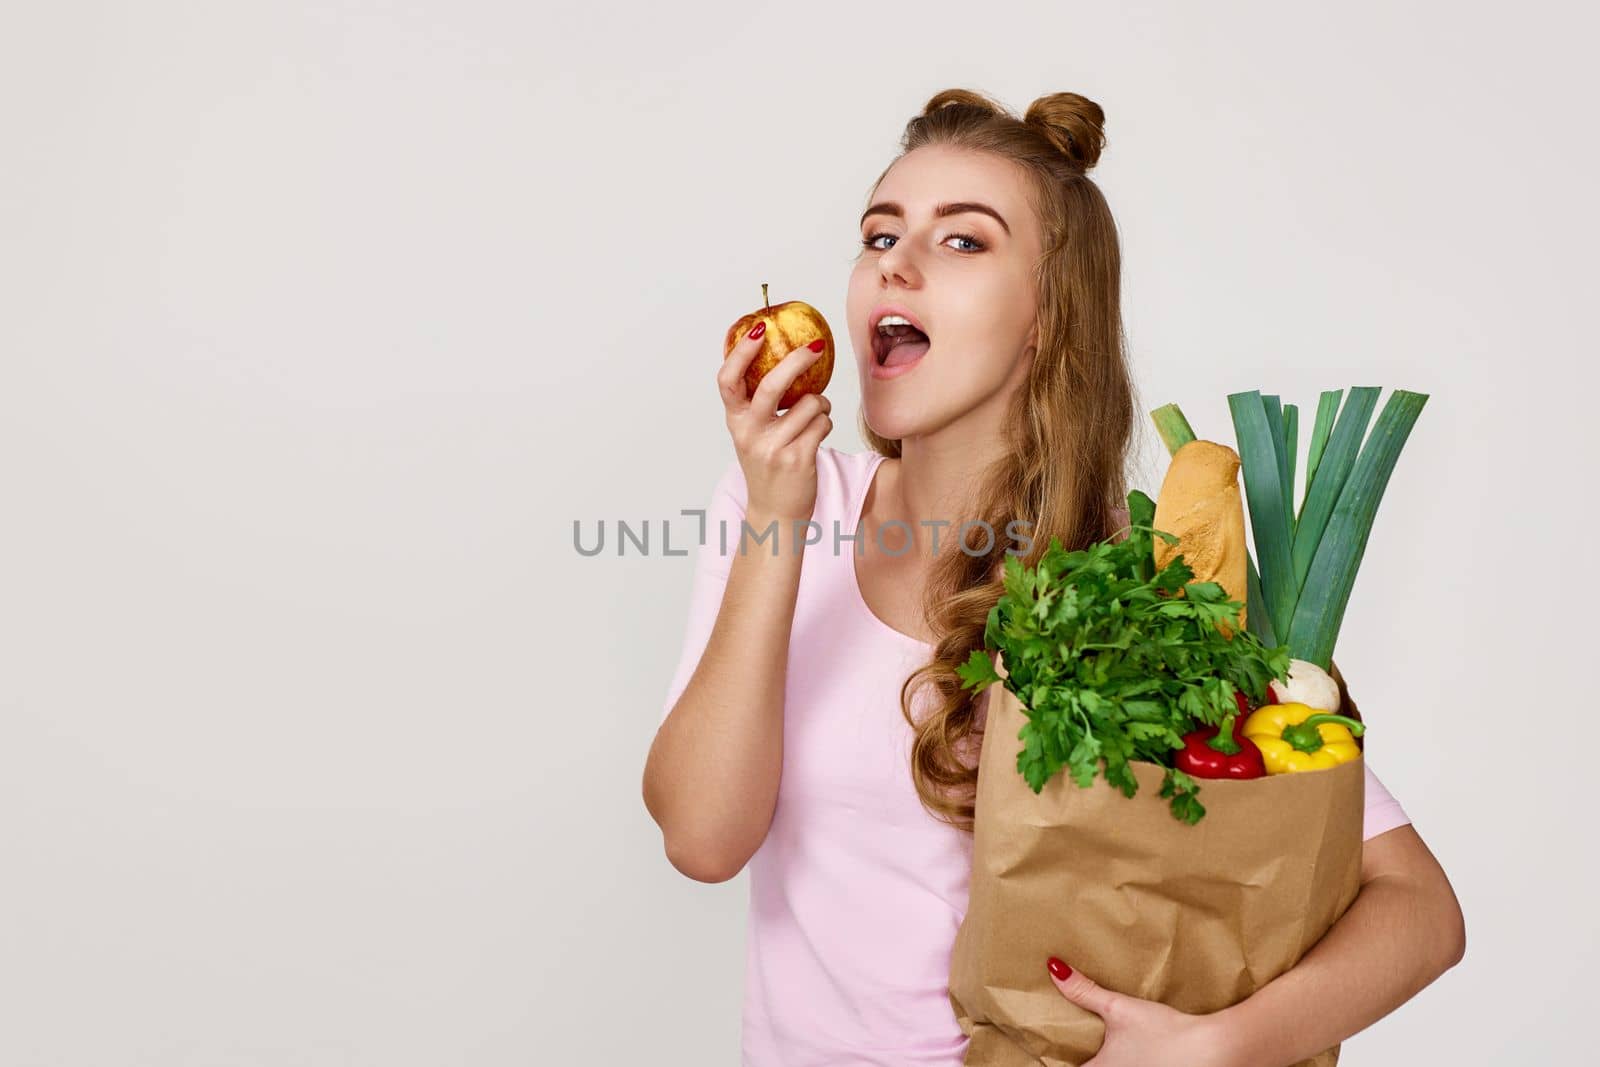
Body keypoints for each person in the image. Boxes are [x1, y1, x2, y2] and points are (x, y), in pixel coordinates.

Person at [641, 88, 1465, 1067]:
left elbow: (1419, 908)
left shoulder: (1137, 579)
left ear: (1045, 317)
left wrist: (1215, 1046)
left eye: (963, 242)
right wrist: (778, 521)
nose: (894, 263)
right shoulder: (781, 504)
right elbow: (702, 837)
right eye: (878, 234)